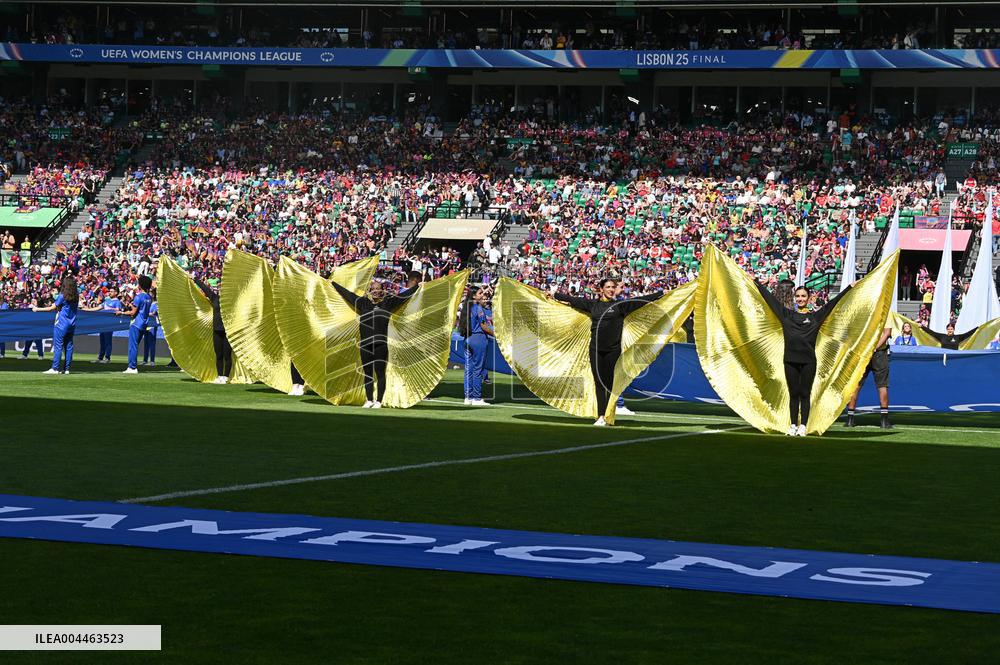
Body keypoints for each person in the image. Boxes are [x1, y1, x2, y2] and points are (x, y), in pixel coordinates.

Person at [555, 278, 663, 426]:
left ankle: (609, 414)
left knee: (610, 383)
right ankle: (600, 417)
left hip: (613, 350)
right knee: (599, 383)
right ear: (601, 289)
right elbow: (573, 300)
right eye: (608, 287)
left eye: (613, 287)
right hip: (595, 349)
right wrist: (555, 295)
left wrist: (661, 293)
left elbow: (640, 301)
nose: (611, 289)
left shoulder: (620, 306)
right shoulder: (593, 305)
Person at [755, 281, 853, 436]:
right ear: (795, 298)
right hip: (790, 360)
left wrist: (850, 287)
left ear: (809, 298)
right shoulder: (786, 315)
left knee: (805, 394)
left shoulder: (815, 317)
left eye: (803, 296)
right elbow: (770, 299)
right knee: (793, 393)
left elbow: (833, 304)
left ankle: (803, 426)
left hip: (808, 362)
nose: (800, 299)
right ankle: (793, 425)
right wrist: (756, 283)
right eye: (798, 296)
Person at [330, 275, 419, 408]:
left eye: (378, 289)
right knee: (368, 374)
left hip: (380, 345)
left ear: (383, 290)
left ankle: (378, 401)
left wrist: (418, 286)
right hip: (365, 345)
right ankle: (369, 400)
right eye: (373, 289)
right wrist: (333, 283)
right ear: (369, 290)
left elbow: (404, 296)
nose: (376, 291)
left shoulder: (387, 303)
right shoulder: (362, 303)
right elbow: (347, 294)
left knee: (380, 373)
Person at [31, 275, 99, 375]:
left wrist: (37, 309)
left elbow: (51, 308)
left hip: (61, 324)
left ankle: (55, 368)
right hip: (72, 324)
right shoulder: (76, 296)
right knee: (69, 346)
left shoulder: (62, 296)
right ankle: (66, 369)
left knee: (58, 346)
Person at [844, 326, 893, 429]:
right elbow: (887, 333)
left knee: (856, 385)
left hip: (863, 352)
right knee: (882, 386)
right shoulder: (885, 313)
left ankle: (850, 419)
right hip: (878, 352)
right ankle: (884, 421)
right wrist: (875, 347)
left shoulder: (864, 310)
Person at [463, 286, 494, 406]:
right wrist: (496, 335)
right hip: (478, 339)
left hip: (467, 339)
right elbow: (484, 326)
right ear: (474, 296)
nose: (483, 295)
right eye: (480, 293)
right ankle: (477, 398)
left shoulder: (467, 307)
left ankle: (468, 398)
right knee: (478, 370)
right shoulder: (478, 308)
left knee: (468, 370)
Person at [195, 279, 231, 384]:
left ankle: (226, 376)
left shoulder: (231, 301)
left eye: (222, 289)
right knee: (218, 354)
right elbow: (205, 289)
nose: (220, 290)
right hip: (216, 330)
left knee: (227, 355)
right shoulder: (215, 298)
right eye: (219, 288)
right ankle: (220, 376)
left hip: (227, 331)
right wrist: (196, 280)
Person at [119, 275, 153, 374]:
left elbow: (133, 312)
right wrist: (129, 304)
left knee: (132, 346)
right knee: (135, 345)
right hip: (144, 323)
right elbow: (140, 309)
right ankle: (132, 366)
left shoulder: (139, 297)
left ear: (140, 285)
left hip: (136, 323)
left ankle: (132, 367)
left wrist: (121, 313)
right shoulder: (149, 297)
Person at [95, 287, 122, 363]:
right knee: (102, 341)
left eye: (111, 291)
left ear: (116, 293)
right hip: (103, 324)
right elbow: (97, 308)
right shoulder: (107, 301)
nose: (109, 293)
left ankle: (107, 358)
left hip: (110, 324)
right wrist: (85, 310)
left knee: (108, 341)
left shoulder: (117, 302)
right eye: (109, 291)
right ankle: (100, 357)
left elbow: (118, 310)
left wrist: (108, 309)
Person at [142, 295, 159, 366]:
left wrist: (146, 314)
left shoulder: (156, 304)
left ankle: (152, 361)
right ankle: (145, 360)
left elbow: (154, 313)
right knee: (146, 343)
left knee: (152, 343)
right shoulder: (148, 303)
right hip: (146, 324)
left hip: (152, 325)